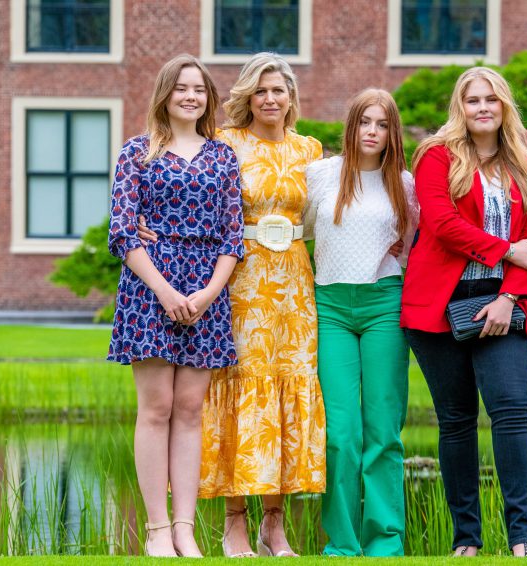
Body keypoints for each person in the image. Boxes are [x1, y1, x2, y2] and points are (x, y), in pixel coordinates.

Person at [138, 52, 326, 557]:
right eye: (260, 90)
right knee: (238, 396)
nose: (270, 98)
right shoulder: (225, 144)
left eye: (278, 90)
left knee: (286, 395)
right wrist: (143, 222)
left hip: (294, 286)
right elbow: (194, 198)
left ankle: (275, 525)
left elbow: (327, 214)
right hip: (237, 283)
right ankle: (234, 522)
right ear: (247, 96)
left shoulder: (310, 150)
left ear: (291, 97)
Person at [401, 67, 527, 557]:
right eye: (472, 100)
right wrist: (504, 250)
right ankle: (467, 539)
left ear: (505, 106)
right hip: (439, 306)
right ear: (459, 108)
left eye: (491, 99)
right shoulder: (437, 156)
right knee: (456, 421)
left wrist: (509, 298)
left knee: (511, 412)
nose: (483, 108)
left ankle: (522, 537)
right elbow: (441, 223)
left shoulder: (526, 163)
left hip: (504, 305)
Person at [107, 53, 244, 558]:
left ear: (209, 98)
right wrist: (164, 290)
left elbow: (233, 236)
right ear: (164, 94)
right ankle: (157, 530)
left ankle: (186, 528)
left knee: (189, 410)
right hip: (149, 288)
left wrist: (208, 293)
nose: (191, 96)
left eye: (199, 89)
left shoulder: (223, 156)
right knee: (156, 408)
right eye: (182, 88)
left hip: (207, 289)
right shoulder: (137, 152)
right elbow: (122, 231)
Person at [303, 88, 419, 556]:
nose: (373, 132)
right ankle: (343, 545)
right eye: (365, 122)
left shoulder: (404, 184)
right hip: (330, 307)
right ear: (351, 127)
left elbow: (414, 244)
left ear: (393, 132)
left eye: (382, 124)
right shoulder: (321, 174)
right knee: (341, 433)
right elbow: (298, 230)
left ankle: (385, 543)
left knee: (383, 429)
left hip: (384, 306)